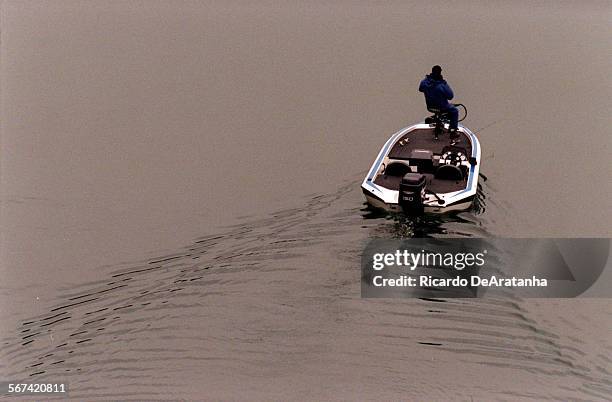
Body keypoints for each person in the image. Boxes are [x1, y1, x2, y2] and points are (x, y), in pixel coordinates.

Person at [419, 65, 459, 138]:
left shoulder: (424, 82)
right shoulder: (441, 85)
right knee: (454, 111)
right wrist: (444, 83)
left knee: (446, 108)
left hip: (430, 107)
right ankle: (453, 130)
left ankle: (438, 120)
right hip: (442, 107)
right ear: (440, 73)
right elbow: (450, 96)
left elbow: (420, 89)